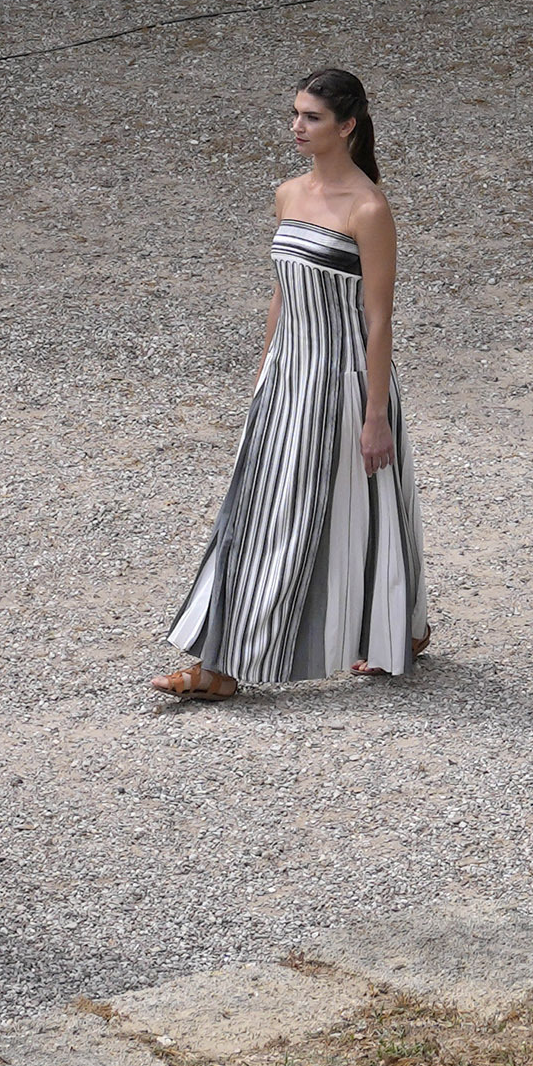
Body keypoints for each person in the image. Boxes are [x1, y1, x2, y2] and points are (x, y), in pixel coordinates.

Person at [160, 72, 424, 694]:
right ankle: (398, 630)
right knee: (267, 509)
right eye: (296, 114)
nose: (297, 127)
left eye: (311, 117)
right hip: (287, 376)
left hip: (342, 381)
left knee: (336, 510)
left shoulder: (369, 208)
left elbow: (379, 316)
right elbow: (282, 295)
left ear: (347, 126)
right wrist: (264, 375)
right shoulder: (287, 194)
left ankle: (226, 666)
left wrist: (376, 411)